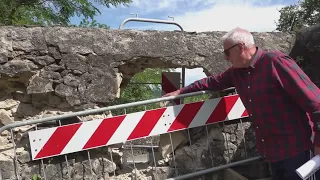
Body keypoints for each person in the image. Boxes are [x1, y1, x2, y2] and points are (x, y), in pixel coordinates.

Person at [163, 27, 320, 180]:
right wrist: (181, 91)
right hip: (273, 153)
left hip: (298, 150)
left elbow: (316, 102)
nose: (226, 58)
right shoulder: (237, 72)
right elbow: (212, 82)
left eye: (227, 52)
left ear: (240, 47)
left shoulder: (275, 62)